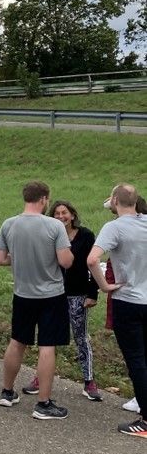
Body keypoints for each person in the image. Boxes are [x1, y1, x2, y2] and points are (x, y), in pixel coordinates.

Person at [0, 181, 73, 419]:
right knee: (47, 346)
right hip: (51, 295)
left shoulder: (9, 224)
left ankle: (7, 391)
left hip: (22, 293)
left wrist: (18, 257)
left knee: (17, 341)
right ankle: (43, 403)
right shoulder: (54, 225)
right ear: (44, 199)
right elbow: (66, 261)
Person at [19, 201, 101, 401]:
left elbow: (93, 264)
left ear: (72, 215)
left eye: (65, 213)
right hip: (52, 293)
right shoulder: (49, 234)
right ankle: (40, 379)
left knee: (81, 337)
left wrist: (93, 293)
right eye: (56, 213)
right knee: (48, 338)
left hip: (78, 294)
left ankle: (89, 381)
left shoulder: (86, 235)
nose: (61, 216)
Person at [87, 184, 147, 437]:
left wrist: (104, 286)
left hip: (128, 300)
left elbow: (92, 259)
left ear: (114, 201)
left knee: (136, 359)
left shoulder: (114, 227)